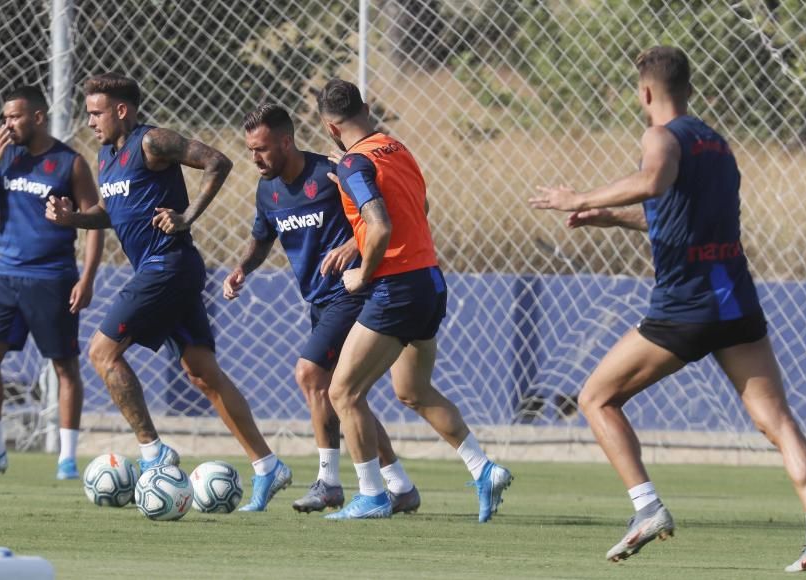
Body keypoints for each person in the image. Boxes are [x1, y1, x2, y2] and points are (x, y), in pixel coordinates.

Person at [528, 46, 806, 572]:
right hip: (736, 303)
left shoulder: (659, 137)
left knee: (596, 398)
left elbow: (652, 180)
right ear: (689, 88)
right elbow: (674, 216)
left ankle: (646, 508)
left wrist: (576, 198)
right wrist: (615, 218)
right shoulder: (716, 144)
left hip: (684, 308)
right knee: (777, 421)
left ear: (646, 91)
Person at [46, 73, 291, 511]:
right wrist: (74, 221)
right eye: (88, 113)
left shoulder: (152, 142)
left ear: (122, 110)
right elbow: (112, 211)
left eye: (96, 112)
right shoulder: (108, 155)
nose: (90, 122)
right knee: (202, 373)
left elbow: (218, 161)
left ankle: (154, 452)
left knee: (102, 352)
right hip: (165, 270)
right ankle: (268, 465)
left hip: (168, 266)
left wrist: (187, 215)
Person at [316, 79, 512, 522]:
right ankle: (484, 469)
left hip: (395, 287)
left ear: (330, 127)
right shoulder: (397, 149)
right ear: (366, 108)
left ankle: (371, 494)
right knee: (412, 390)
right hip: (429, 281)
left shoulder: (353, 164)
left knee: (342, 391)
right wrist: (352, 182)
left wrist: (361, 273)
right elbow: (418, 210)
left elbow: (381, 225)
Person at [223, 103, 420, 514]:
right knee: (346, 396)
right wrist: (243, 267)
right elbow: (262, 238)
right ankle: (399, 485)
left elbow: (387, 216)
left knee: (310, 374)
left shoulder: (329, 174)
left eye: (261, 149)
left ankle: (329, 481)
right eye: (249, 151)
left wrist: (353, 244)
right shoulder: (268, 190)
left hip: (352, 293)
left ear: (285, 141)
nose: (255, 159)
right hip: (319, 299)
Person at [0, 86, 103, 480]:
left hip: (53, 278)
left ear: (37, 117)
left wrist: (87, 278)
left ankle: (67, 459)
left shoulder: (69, 163)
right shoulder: (8, 160)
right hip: (6, 277)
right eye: (4, 118)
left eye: (15, 117)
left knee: (64, 366)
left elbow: (95, 224)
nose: (8, 124)